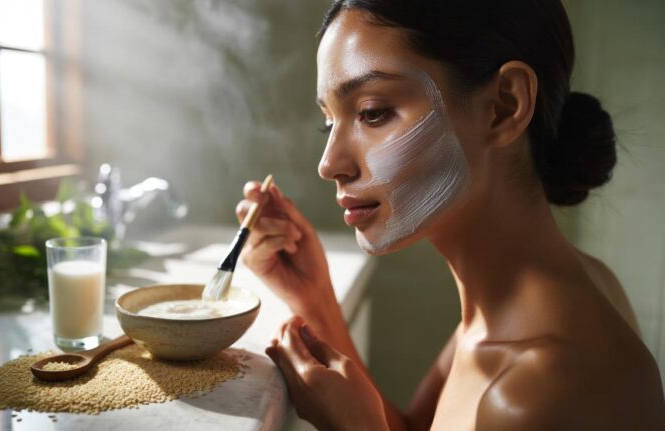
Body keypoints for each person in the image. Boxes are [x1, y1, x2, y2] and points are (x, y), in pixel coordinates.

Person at [235, 0, 665, 429]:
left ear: (504, 106)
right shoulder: (522, 304)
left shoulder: (543, 390)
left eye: (371, 113)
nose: (329, 165)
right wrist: (315, 298)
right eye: (330, 123)